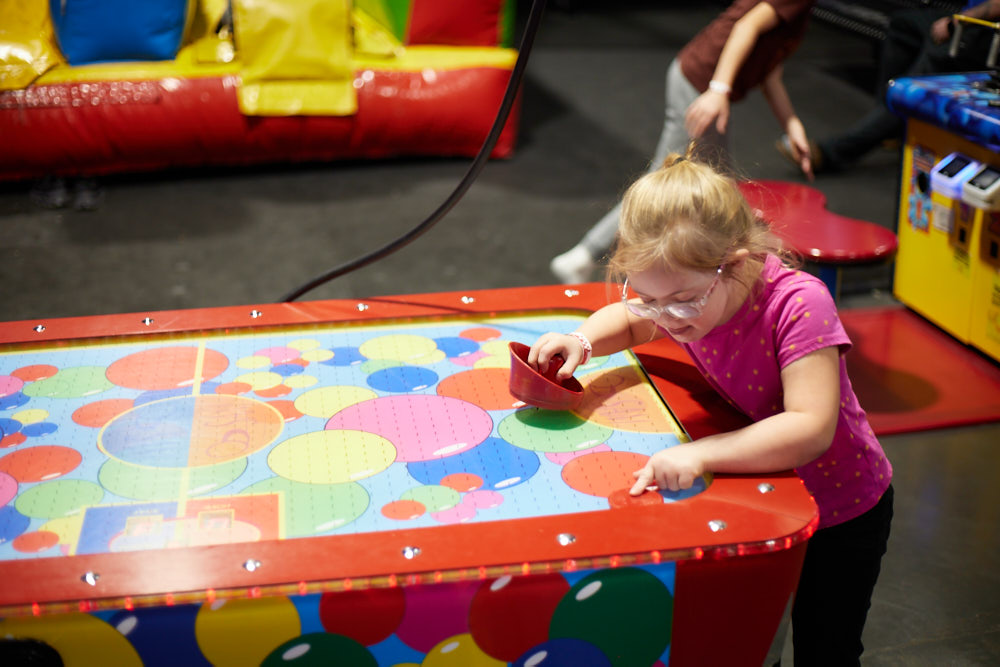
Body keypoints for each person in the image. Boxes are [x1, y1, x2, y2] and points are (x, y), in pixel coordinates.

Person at [529, 149, 893, 664]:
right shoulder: (683, 291)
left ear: (735, 264)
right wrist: (581, 341)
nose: (668, 318)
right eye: (650, 298)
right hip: (769, 492)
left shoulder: (799, 304)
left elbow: (810, 427)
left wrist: (701, 453)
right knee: (751, 639)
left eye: (682, 300)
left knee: (826, 649)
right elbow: (630, 320)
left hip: (841, 507)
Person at [550, 0, 817, 285]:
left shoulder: (800, 13)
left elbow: (771, 75)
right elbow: (745, 26)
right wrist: (718, 90)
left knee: (717, 184)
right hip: (700, 84)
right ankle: (584, 256)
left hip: (704, 85)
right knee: (680, 180)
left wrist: (791, 125)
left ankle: (729, 272)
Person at [777, 0, 1000, 175]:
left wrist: (955, 22)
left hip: (980, 30)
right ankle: (889, 122)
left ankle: (832, 153)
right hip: (965, 19)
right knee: (902, 24)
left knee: (907, 92)